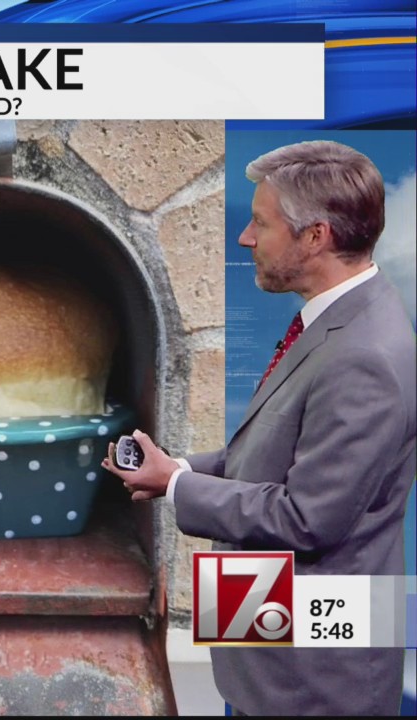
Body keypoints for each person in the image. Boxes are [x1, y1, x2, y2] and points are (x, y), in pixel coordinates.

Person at [104, 140, 416, 716]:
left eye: (260, 223)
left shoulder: (363, 355)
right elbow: (279, 444)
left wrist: (176, 488)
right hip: (268, 640)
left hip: (312, 680)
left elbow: (308, 517)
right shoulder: (337, 320)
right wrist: (180, 467)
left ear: (316, 236)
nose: (245, 238)